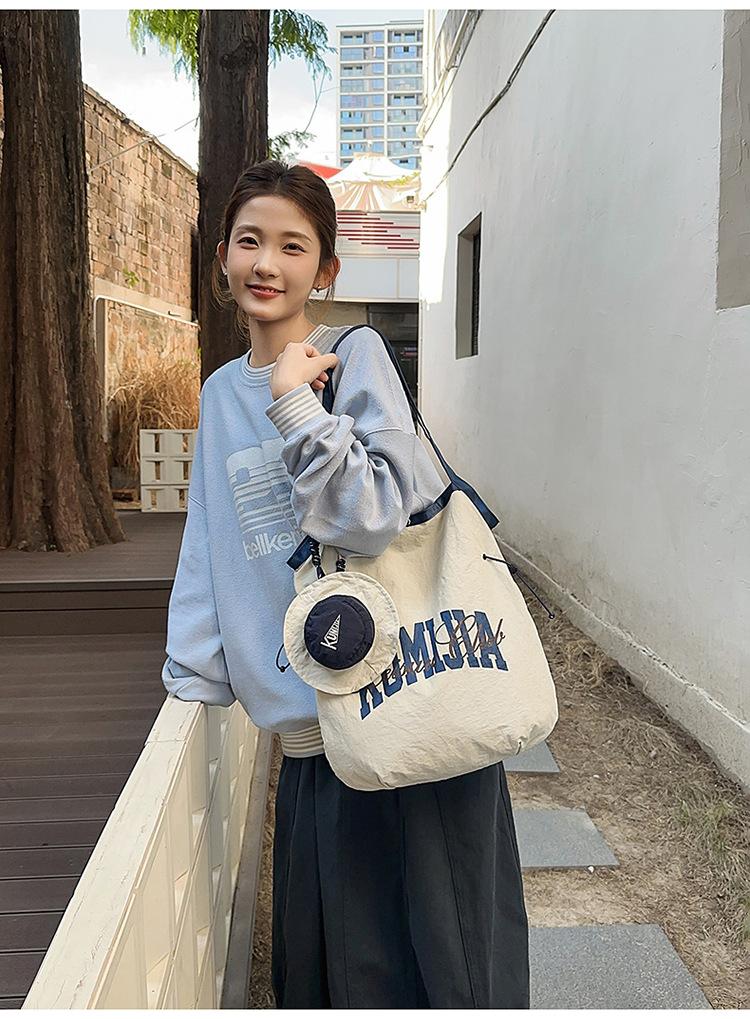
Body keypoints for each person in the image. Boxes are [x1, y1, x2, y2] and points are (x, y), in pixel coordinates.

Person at [161, 159, 530, 1008]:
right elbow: (210, 543)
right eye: (249, 240)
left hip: (412, 705)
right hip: (314, 738)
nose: (267, 263)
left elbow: (372, 514)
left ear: (325, 269)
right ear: (223, 256)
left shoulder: (355, 355)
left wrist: (297, 405)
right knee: (338, 972)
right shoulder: (219, 394)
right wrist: (192, 677)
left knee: (447, 963)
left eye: (293, 246)